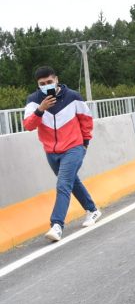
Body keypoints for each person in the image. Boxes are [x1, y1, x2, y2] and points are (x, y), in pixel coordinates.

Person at [23, 67, 102, 242]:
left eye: (49, 82)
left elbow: (86, 120)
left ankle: (56, 225)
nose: (46, 86)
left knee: (63, 184)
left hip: (74, 147)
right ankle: (93, 210)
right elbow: (28, 125)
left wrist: (85, 143)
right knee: (72, 182)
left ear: (56, 80)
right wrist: (41, 109)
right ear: (38, 85)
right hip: (51, 152)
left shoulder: (73, 96)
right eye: (42, 84)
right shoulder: (33, 101)